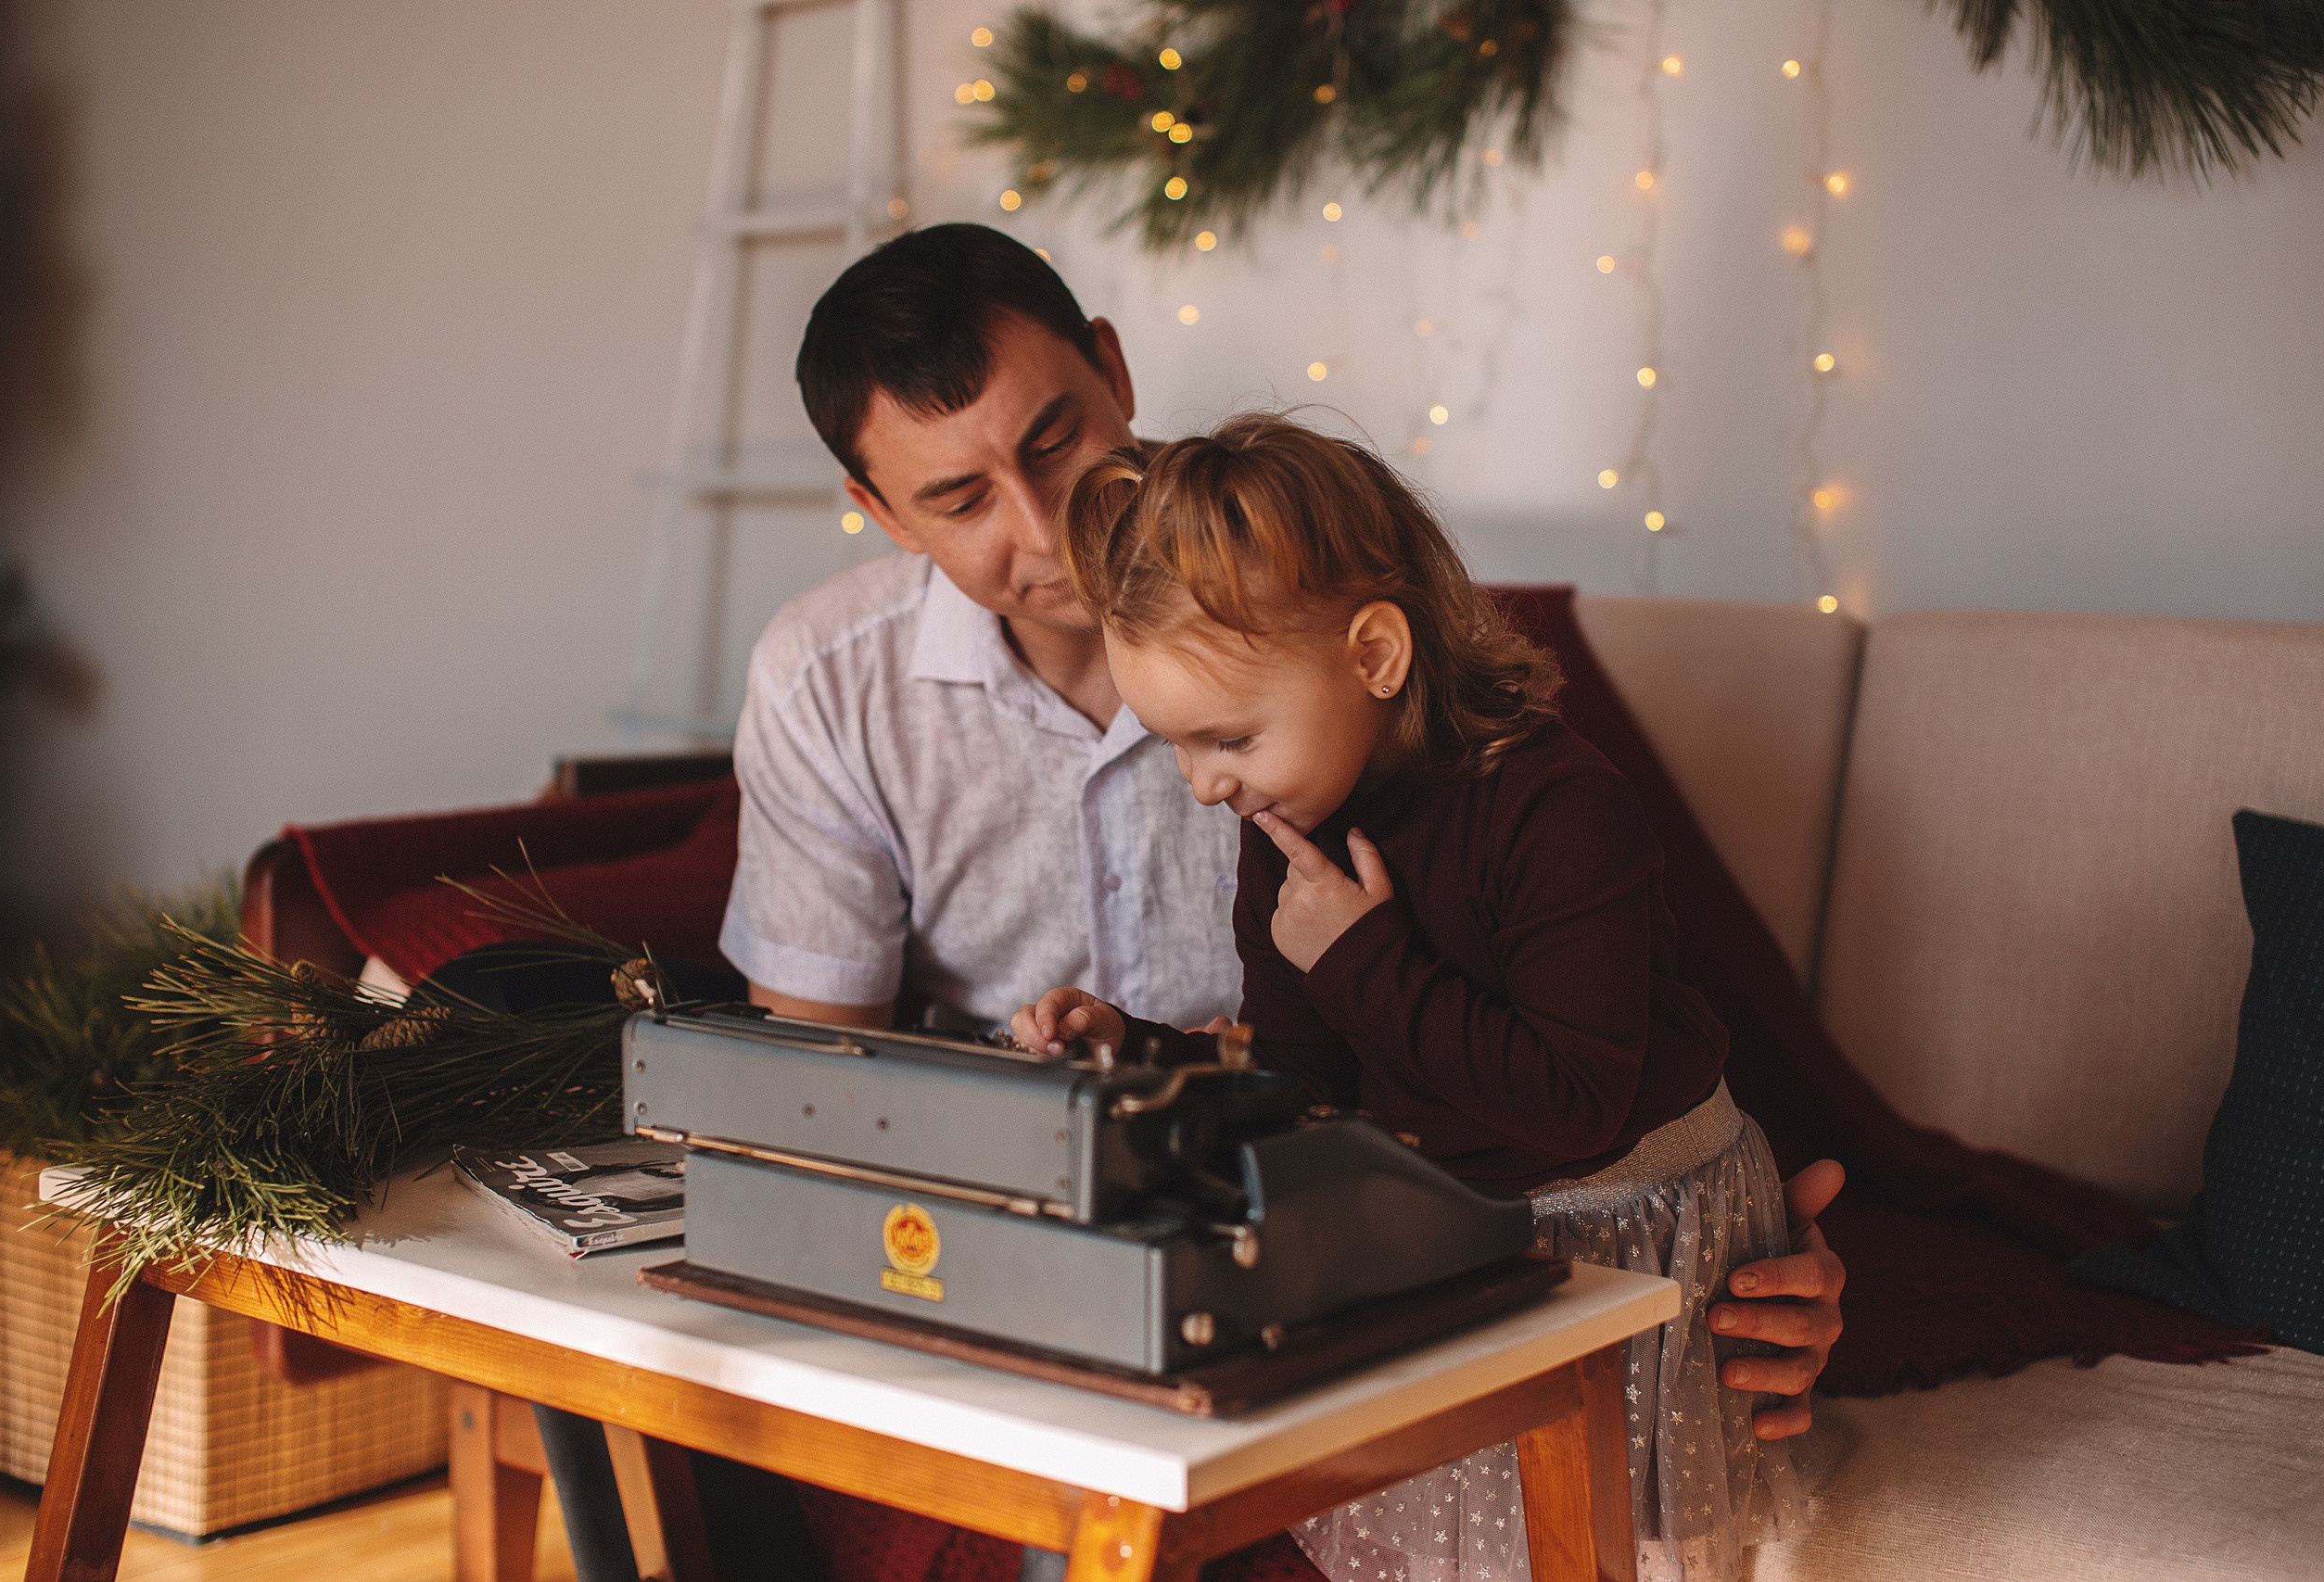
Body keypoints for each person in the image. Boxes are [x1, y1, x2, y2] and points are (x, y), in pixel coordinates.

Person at [734, 221, 1840, 1428]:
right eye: (958, 497)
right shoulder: (826, 682)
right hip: (1105, 1216)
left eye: (1055, 441)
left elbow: (1622, 1033)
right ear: (878, 508)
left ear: (1113, 365)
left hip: (1383, 1216)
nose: (1046, 530)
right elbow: (814, 1108)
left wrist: (1779, 1233)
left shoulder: (1345, 633)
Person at [1010, 416, 1819, 1582]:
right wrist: (1135, 1049)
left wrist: (1360, 956)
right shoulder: (1283, 826)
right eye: (1175, 745)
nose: (1201, 787)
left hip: (1630, 1224)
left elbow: (1573, 1104)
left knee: (1609, 1558)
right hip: (1455, 1225)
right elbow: (1306, 1084)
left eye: (1225, 737)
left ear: (1375, 656)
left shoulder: (1561, 811)